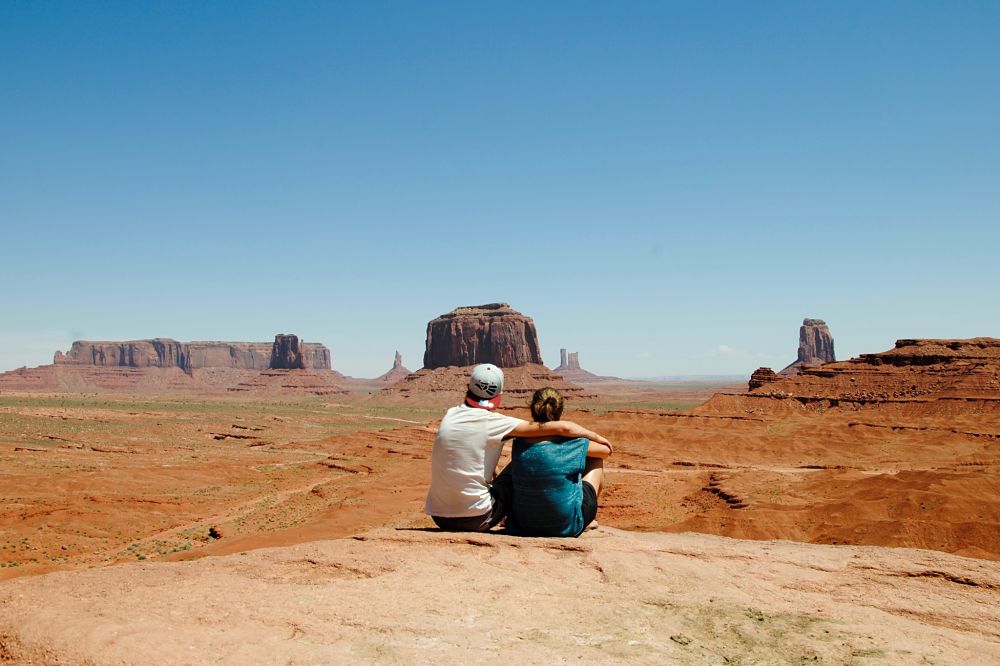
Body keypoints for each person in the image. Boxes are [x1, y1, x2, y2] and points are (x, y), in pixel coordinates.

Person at [425, 364, 612, 532]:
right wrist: (595, 436)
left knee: (515, 463)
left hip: (439, 517)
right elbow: (561, 428)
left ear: (468, 387)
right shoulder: (497, 422)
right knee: (519, 463)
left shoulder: (450, 414)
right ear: (499, 395)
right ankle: (583, 517)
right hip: (477, 517)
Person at [506, 387, 611, 537]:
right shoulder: (572, 443)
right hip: (566, 526)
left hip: (521, 525)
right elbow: (606, 451)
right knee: (595, 459)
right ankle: (589, 519)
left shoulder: (519, 442)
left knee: (519, 464)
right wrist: (584, 434)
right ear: (560, 411)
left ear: (533, 409)